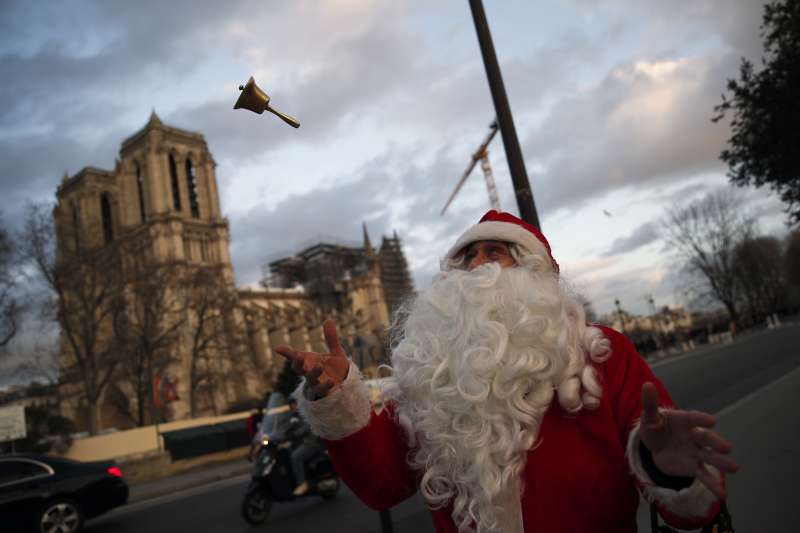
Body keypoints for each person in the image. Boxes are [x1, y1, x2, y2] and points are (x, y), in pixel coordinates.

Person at [275, 210, 740, 533]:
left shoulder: (604, 354)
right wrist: (338, 399)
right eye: (466, 259)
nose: (476, 268)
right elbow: (382, 485)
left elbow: (693, 511)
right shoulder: (432, 377)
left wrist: (669, 471)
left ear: (533, 272)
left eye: (494, 253)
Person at [286, 397, 325, 496]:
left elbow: (306, 427)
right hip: (304, 442)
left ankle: (302, 483)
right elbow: (287, 427)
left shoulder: (307, 412)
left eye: (294, 404)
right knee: (286, 452)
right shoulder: (293, 416)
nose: (292, 406)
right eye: (291, 405)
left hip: (314, 442)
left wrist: (295, 434)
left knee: (295, 456)